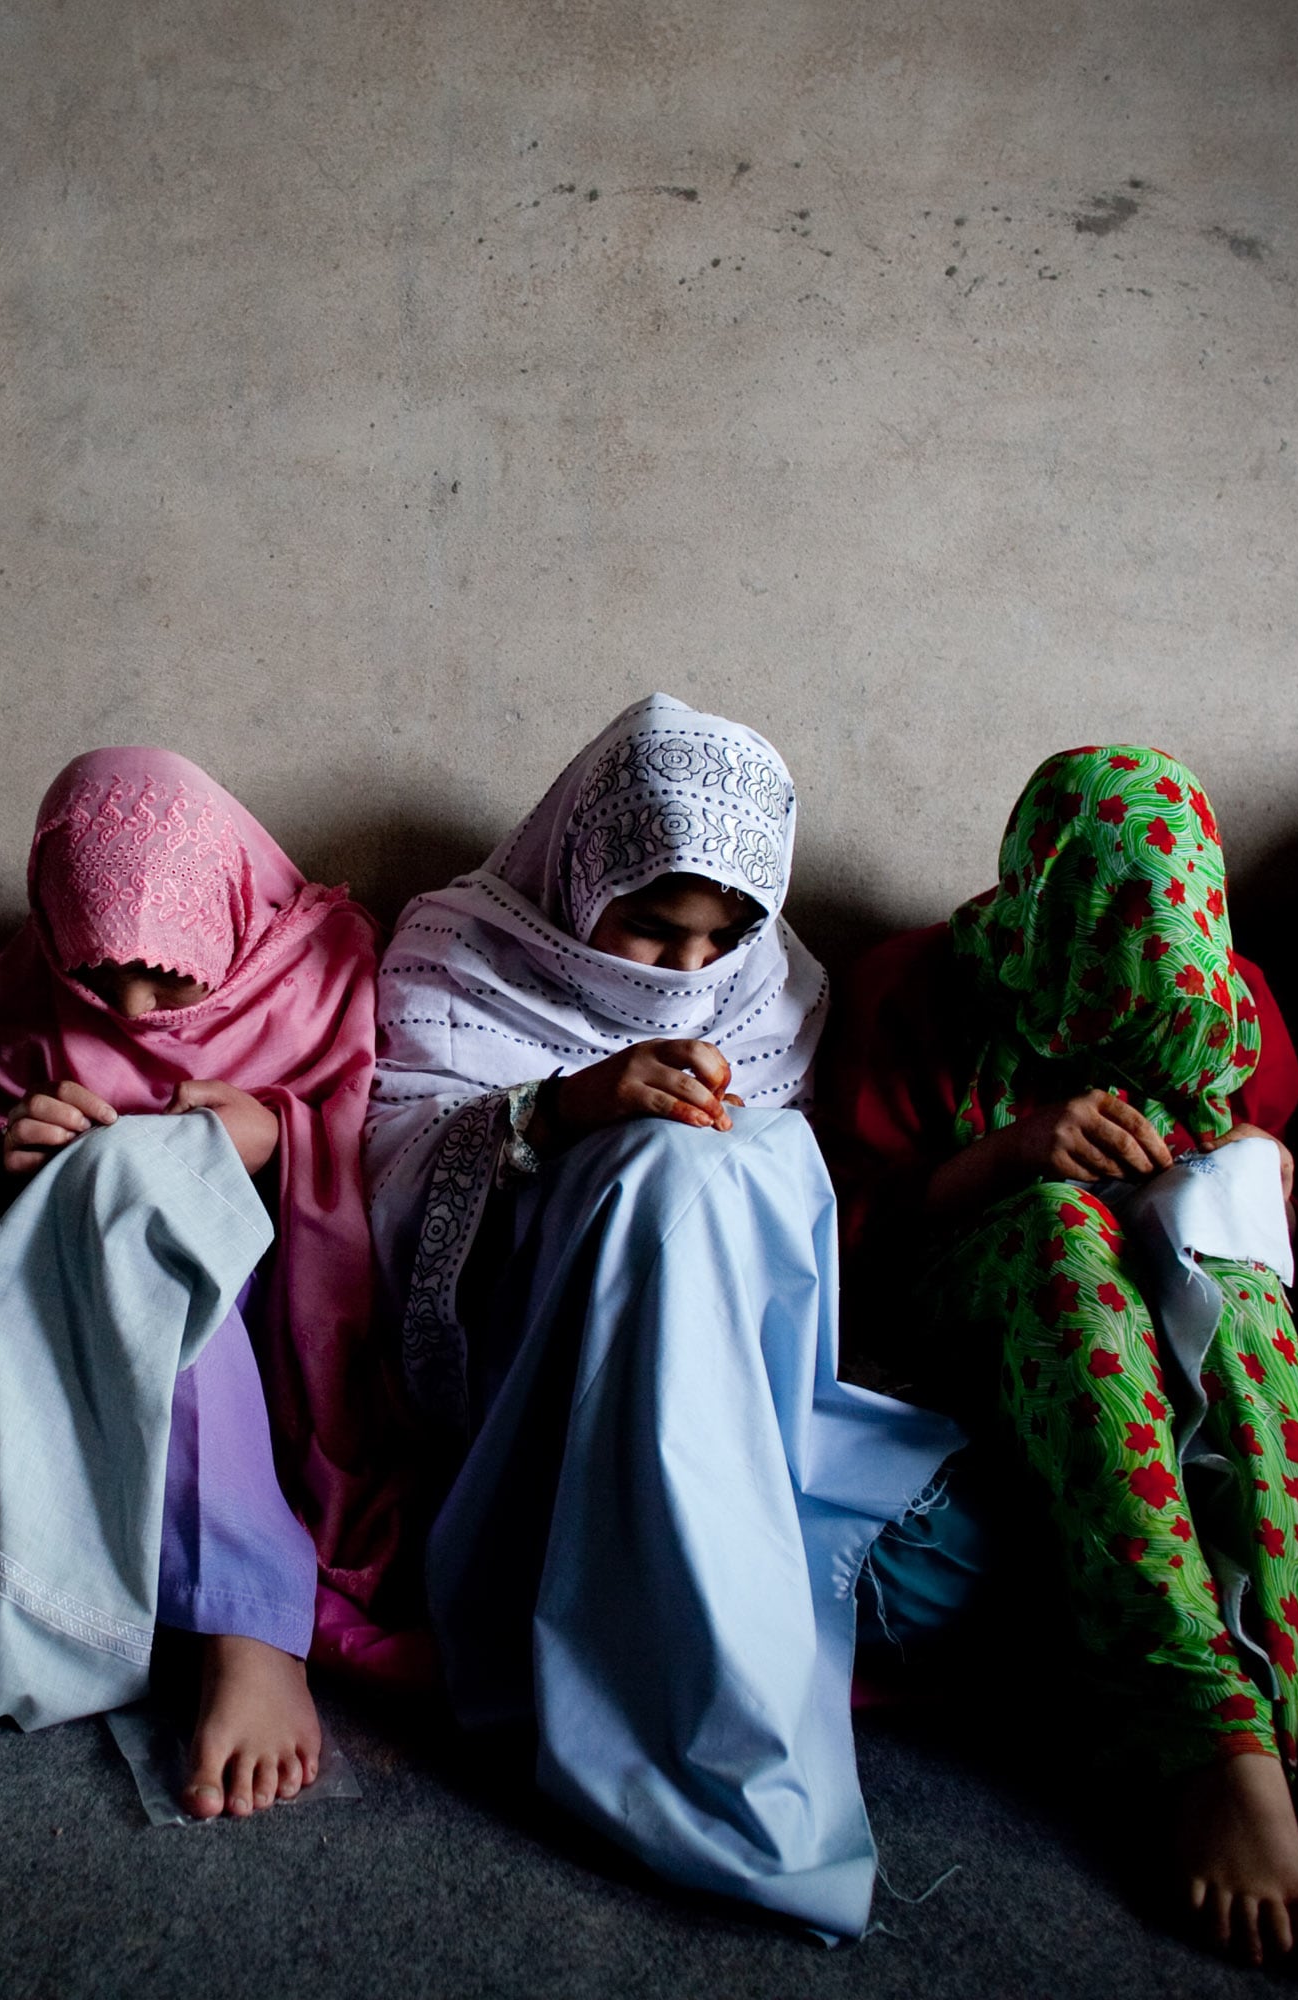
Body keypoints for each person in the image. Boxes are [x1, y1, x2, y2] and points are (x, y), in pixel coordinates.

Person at [819, 745, 1298, 1974]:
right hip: (996, 1311)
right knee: (1061, 1234)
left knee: (1238, 1274)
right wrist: (1011, 1155)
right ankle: (1213, 1746)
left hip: (1177, 1301)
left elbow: (1274, 1233)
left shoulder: (1237, 1011)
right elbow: (841, 1243)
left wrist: (1263, 1176)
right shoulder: (921, 990)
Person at [366, 694, 972, 1940]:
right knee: (668, 1173)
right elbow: (384, 1193)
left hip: (740, 1375)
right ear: (585, 876)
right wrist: (556, 1113)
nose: (691, 974)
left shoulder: (776, 988)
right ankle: (692, 1724)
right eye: (652, 928)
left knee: (730, 1165)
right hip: (549, 1367)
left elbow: (810, 1226)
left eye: (725, 933)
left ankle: (710, 1664)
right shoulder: (455, 955)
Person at [0, 746, 414, 1816]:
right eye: (94, 974)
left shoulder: (328, 964)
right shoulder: (24, 993)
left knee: (164, 1200)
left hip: (280, 1303)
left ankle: (247, 1627)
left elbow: (394, 1157)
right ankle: (210, 1602)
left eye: (166, 972)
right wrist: (24, 1151)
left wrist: (279, 1130)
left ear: (224, 912)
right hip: (102, 1308)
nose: (128, 1007)